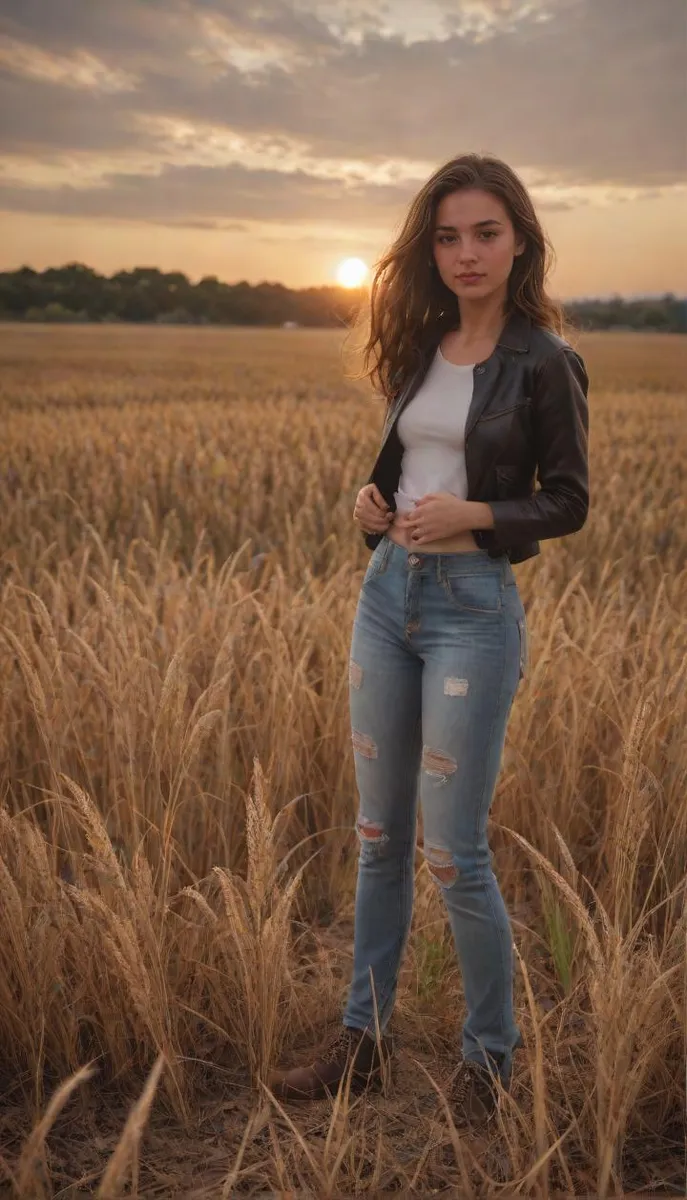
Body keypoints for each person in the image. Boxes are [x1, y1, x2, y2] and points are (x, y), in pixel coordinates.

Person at [269, 153, 590, 1126]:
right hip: (386, 598)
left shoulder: (546, 363)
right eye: (447, 235)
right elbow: (400, 473)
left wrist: (473, 517)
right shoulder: (421, 346)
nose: (465, 252)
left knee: (452, 851)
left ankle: (488, 1063)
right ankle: (362, 1042)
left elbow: (567, 502)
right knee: (375, 840)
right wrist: (372, 507)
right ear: (429, 248)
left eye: (485, 232)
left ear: (521, 239)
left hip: (472, 609)